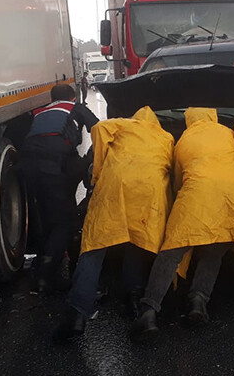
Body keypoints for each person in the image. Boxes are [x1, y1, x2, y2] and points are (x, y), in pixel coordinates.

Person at [130, 108, 234, 340]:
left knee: (171, 253)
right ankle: (198, 300)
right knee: (213, 252)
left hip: (196, 195)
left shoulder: (185, 139)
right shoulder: (228, 133)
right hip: (230, 200)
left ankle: (148, 311)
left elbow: (177, 179)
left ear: (190, 120)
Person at [54, 106, 174, 340]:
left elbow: (99, 128)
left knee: (95, 248)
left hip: (116, 186)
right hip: (149, 192)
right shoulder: (165, 137)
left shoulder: (124, 125)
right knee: (137, 243)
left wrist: (98, 172)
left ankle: (78, 312)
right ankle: (134, 299)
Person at [20, 84, 99, 293]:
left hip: (28, 166)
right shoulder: (75, 108)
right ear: (72, 98)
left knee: (46, 216)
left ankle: (45, 264)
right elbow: (100, 130)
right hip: (54, 165)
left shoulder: (41, 111)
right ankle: (45, 276)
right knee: (64, 221)